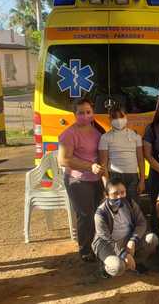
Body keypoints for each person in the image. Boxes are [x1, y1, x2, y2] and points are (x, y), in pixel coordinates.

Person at [58, 98, 105, 262]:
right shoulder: (68, 134)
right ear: (74, 114)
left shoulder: (97, 132)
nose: (84, 116)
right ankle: (85, 250)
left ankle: (97, 245)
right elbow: (63, 160)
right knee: (85, 215)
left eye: (88, 112)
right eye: (80, 113)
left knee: (97, 214)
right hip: (77, 180)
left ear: (93, 113)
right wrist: (89, 166)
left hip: (95, 179)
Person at [92, 178, 159, 277]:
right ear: (106, 195)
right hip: (108, 244)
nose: (120, 196)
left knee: (152, 239)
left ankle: (136, 263)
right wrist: (124, 254)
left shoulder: (130, 203)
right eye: (115, 193)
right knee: (118, 267)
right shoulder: (100, 213)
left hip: (128, 239)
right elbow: (106, 239)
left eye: (122, 192)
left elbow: (141, 222)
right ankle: (106, 266)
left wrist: (132, 240)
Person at [98, 105, 145, 202]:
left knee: (133, 206)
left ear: (126, 117)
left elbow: (140, 159)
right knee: (117, 207)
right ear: (110, 119)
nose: (118, 120)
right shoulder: (105, 137)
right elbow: (103, 163)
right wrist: (107, 185)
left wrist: (142, 181)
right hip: (114, 176)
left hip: (133, 177)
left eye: (121, 116)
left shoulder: (136, 136)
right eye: (115, 117)